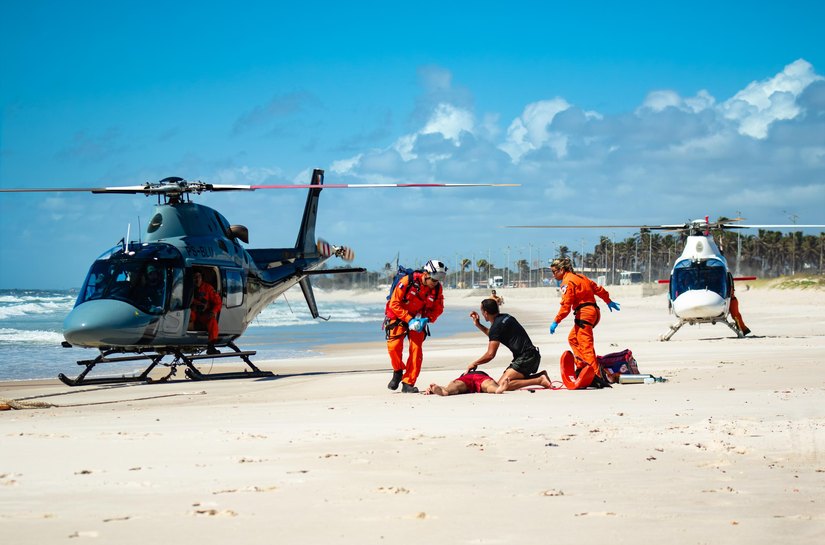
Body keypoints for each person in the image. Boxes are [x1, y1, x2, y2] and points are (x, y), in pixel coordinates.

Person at [548, 257, 620, 389]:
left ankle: (596, 376)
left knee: (586, 345)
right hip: (594, 312)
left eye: (554, 272)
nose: (553, 275)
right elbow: (598, 289)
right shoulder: (581, 277)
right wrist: (608, 300)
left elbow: (566, 306)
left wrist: (556, 321)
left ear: (562, 270)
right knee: (573, 338)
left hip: (584, 315)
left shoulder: (567, 282)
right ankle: (582, 367)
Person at [385, 259, 446, 393]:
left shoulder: (437, 289)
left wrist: (427, 319)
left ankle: (408, 382)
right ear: (426, 274)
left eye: (439, 279)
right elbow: (394, 304)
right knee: (393, 347)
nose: (436, 283)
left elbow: (439, 308)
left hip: (419, 319)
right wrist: (408, 319)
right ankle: (398, 371)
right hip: (398, 315)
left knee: (416, 350)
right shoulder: (407, 281)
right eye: (435, 279)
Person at [467, 298, 553, 390]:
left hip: (526, 359)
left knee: (501, 385)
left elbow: (490, 354)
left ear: (486, 313)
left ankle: (539, 380)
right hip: (532, 356)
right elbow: (495, 336)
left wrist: (474, 363)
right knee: (505, 382)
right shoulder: (506, 317)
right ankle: (541, 376)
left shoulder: (496, 327)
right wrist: (478, 324)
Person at [190, 270, 222, 354]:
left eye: (198, 277)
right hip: (192, 313)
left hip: (203, 315)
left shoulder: (208, 288)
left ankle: (211, 346)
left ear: (201, 278)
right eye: (194, 277)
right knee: (189, 315)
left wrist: (213, 311)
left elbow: (218, 303)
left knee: (212, 321)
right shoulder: (187, 288)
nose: (196, 280)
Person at [423, 370, 508, 396]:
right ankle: (497, 389)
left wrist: (435, 388)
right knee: (488, 384)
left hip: (466, 378)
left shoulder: (464, 375)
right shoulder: (483, 374)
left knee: (454, 385)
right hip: (481, 376)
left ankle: (445, 391)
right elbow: (492, 382)